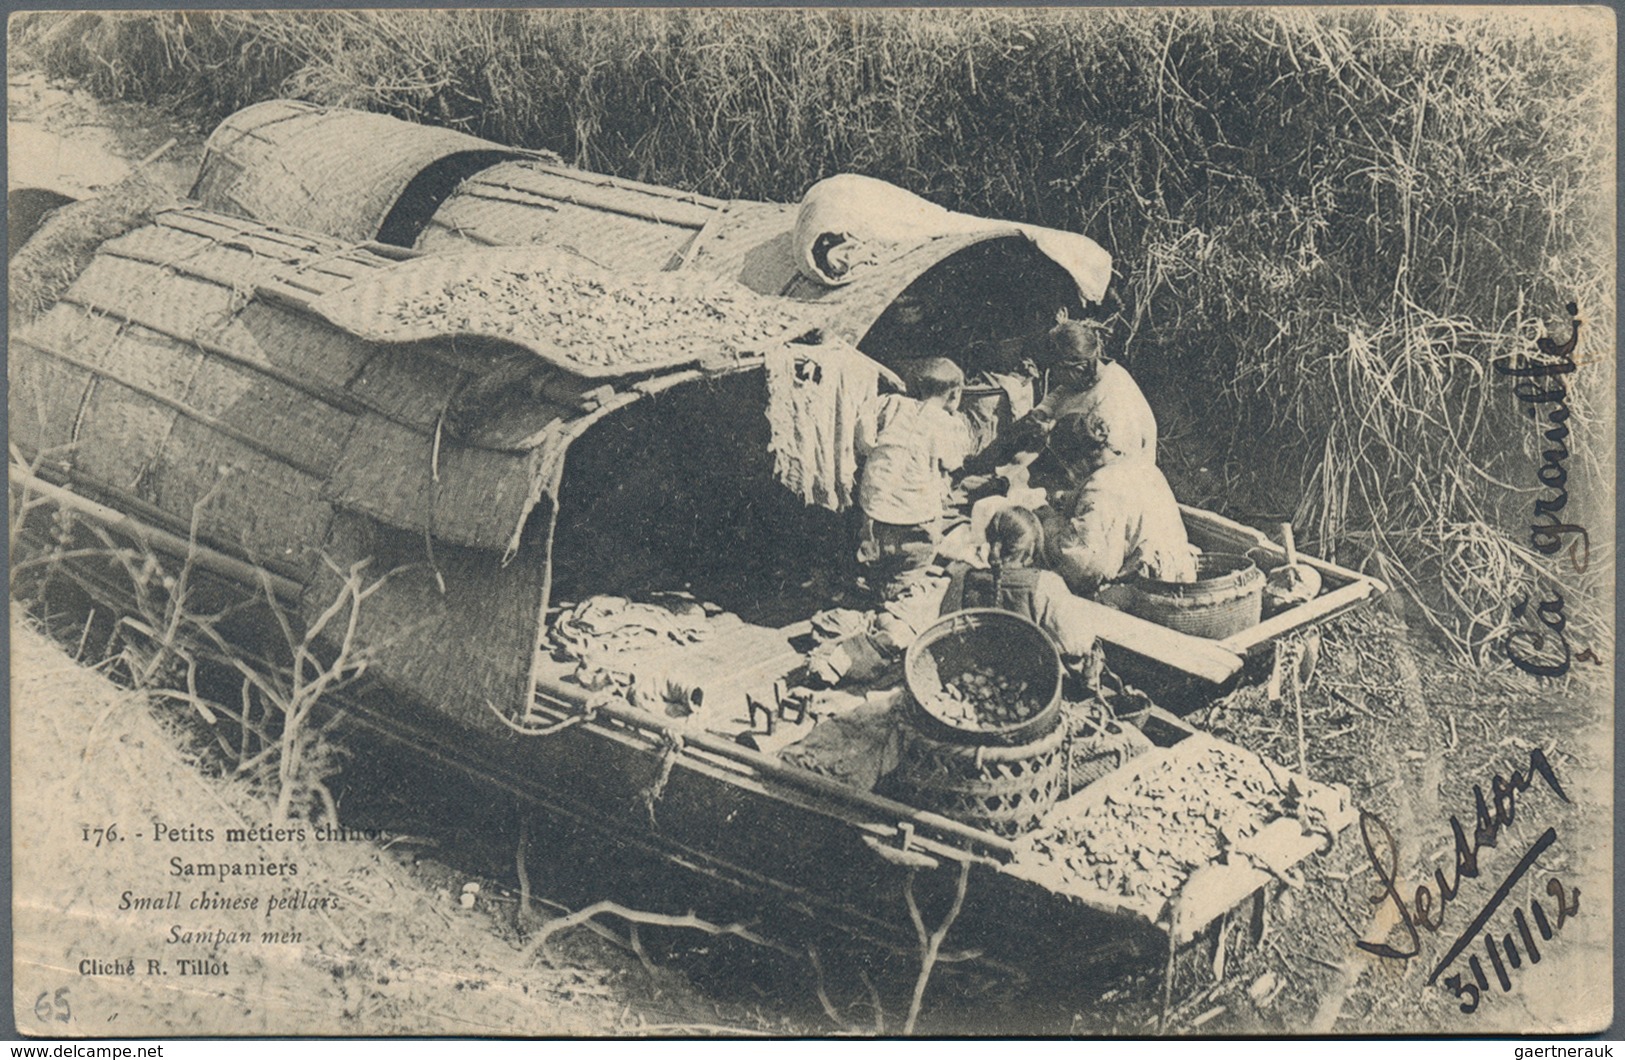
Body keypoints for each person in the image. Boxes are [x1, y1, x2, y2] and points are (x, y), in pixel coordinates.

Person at [1038, 411, 1197, 596]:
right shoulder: (1143, 465)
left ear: (1077, 462)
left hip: (1149, 587)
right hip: (1179, 573)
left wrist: (1049, 523)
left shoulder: (1099, 487)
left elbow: (1084, 566)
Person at [853, 357, 973, 578]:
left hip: (873, 509)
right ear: (955, 394)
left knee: (878, 561)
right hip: (915, 518)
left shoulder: (888, 404)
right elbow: (953, 461)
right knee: (913, 567)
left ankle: (875, 568)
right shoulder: (949, 424)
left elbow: (864, 441)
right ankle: (905, 580)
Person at [940, 506, 1098, 663]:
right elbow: (1075, 646)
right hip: (1030, 677)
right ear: (1030, 551)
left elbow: (946, 630)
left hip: (976, 669)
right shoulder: (1046, 584)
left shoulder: (963, 577)